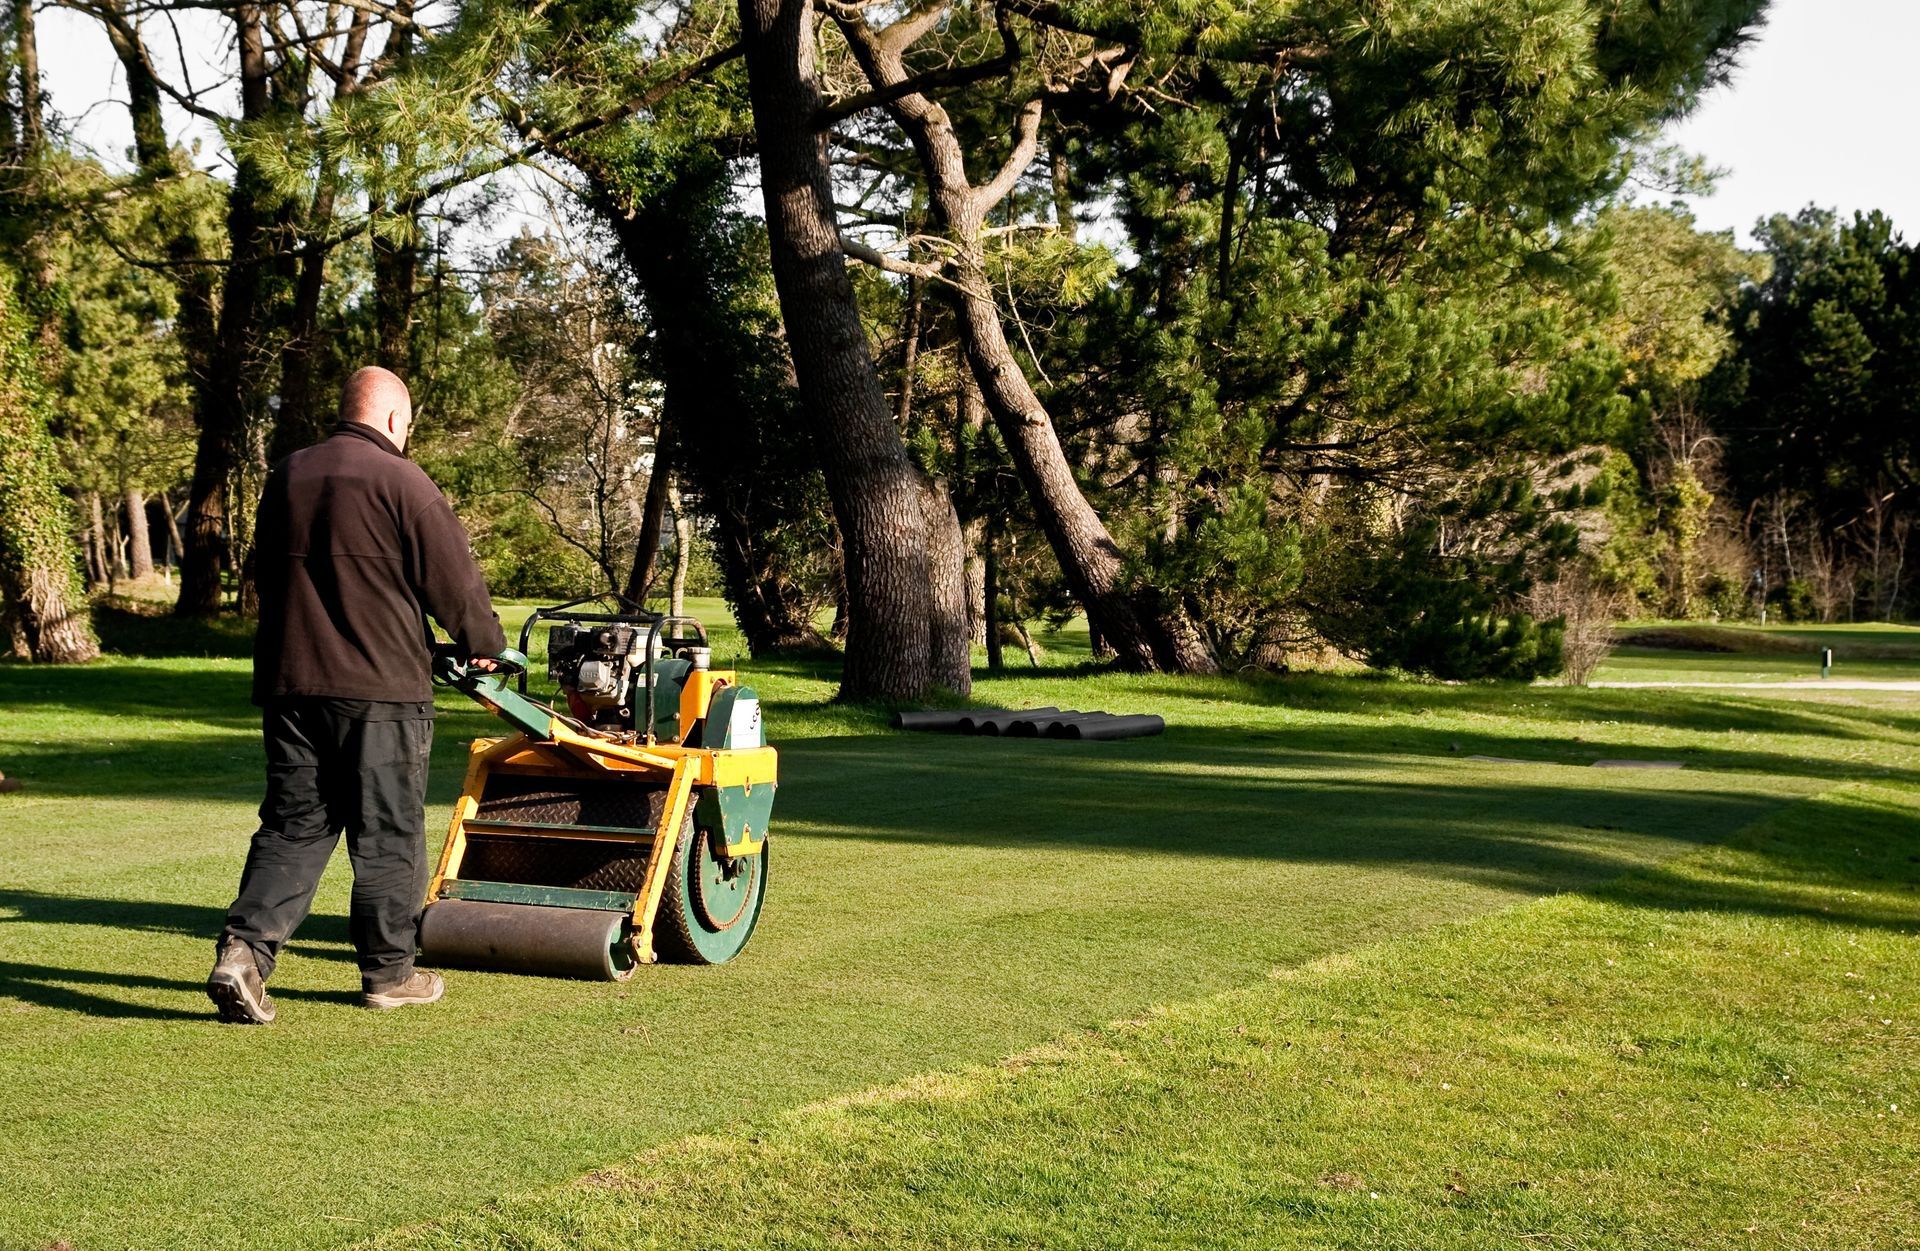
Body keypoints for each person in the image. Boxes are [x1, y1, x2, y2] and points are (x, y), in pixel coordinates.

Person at [206, 366, 506, 1024]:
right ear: (395, 421)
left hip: (292, 685)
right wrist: (484, 640)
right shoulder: (404, 481)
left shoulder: (288, 475)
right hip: (381, 691)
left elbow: (265, 574)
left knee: (293, 826)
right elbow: (453, 581)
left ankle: (244, 954)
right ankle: (390, 974)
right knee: (389, 832)